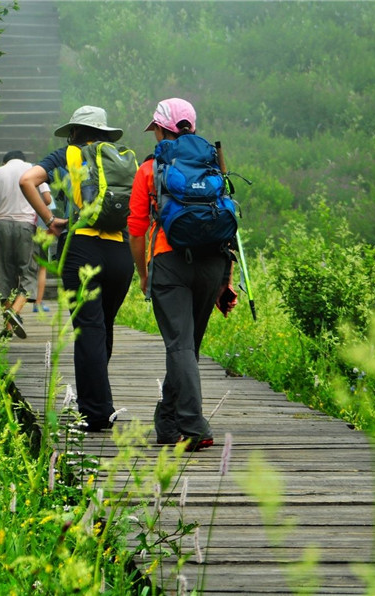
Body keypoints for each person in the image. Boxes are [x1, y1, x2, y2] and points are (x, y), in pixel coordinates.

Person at [128, 98, 238, 452]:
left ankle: (193, 425)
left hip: (171, 263)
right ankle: (167, 422)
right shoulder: (212, 163)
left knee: (180, 346)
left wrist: (144, 275)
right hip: (212, 265)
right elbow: (226, 221)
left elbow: (136, 228)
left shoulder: (150, 168)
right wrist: (227, 279)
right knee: (187, 347)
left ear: (161, 129)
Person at [19, 106, 135, 432]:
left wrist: (49, 219)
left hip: (82, 248)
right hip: (120, 251)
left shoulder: (66, 155)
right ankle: (100, 404)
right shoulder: (122, 160)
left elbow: (27, 180)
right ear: (103, 134)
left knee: (88, 331)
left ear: (74, 132)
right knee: (103, 327)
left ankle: (95, 413)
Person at [0, 150, 52, 339]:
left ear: (5, 161)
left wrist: (2, 209)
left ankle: (9, 325)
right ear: (23, 158)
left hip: (2, 226)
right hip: (25, 227)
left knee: (4, 272)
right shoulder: (34, 169)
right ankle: (15, 310)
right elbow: (47, 199)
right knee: (28, 271)